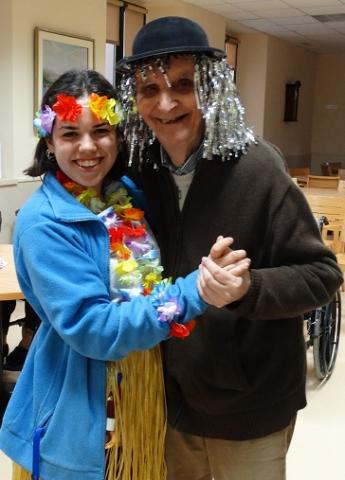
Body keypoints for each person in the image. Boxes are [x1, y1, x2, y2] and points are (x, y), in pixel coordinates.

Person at [116, 16, 344, 480]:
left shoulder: (258, 166)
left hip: (250, 404)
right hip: (169, 400)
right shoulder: (138, 170)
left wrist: (247, 288)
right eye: (148, 89)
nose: (165, 103)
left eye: (182, 84)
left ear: (210, 87)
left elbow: (323, 275)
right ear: (134, 99)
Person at [0, 69, 250, 480]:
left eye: (101, 130)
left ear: (118, 135)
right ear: (49, 141)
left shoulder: (123, 197)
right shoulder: (44, 223)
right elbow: (95, 329)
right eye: (69, 134)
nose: (87, 147)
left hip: (143, 396)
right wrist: (195, 292)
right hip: (81, 411)